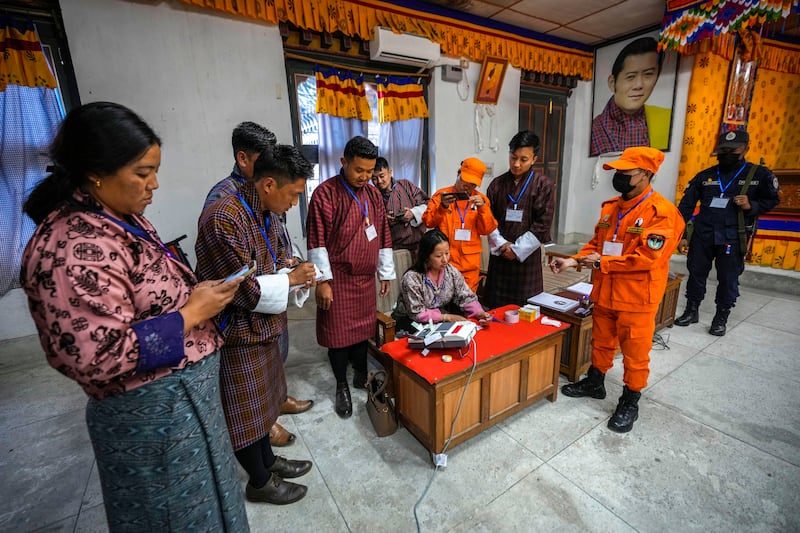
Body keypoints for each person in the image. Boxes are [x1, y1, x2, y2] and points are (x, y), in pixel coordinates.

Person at [19, 102, 249, 530]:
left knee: (209, 503)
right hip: (150, 417)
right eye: (142, 173)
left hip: (182, 404)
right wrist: (187, 315)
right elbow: (97, 356)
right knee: (173, 517)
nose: (154, 184)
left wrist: (191, 295)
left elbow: (147, 291)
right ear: (95, 172)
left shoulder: (119, 217)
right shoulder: (71, 248)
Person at [195, 145, 317, 505]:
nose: (295, 203)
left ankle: (268, 461)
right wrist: (292, 280)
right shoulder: (225, 218)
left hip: (264, 327)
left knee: (265, 403)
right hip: (237, 332)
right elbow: (242, 290)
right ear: (267, 184)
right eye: (294, 194)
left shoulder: (264, 211)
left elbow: (272, 257)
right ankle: (260, 481)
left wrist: (292, 264)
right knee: (245, 410)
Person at [549, 147, 684, 433]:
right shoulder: (611, 207)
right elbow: (595, 245)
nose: (619, 177)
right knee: (601, 341)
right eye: (618, 172)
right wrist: (572, 260)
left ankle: (630, 400)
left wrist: (603, 262)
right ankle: (596, 382)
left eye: (626, 173)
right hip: (605, 291)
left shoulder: (662, 214)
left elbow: (648, 258)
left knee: (635, 353)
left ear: (647, 174)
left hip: (636, 298)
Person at [306, 136, 395, 418]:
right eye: (359, 170)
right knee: (338, 336)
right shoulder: (325, 194)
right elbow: (317, 241)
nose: (365, 177)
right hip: (339, 279)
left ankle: (360, 374)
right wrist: (323, 282)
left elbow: (383, 235)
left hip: (365, 278)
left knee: (362, 333)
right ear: (343, 162)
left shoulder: (373, 195)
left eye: (370, 171)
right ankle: (341, 384)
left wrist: (385, 273)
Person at [674, 130, 780, 336]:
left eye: (733, 150)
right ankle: (691, 310)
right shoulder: (705, 176)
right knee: (696, 274)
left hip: (733, 235)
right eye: (723, 150)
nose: (727, 153)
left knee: (728, 278)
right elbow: (685, 207)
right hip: (702, 233)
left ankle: (721, 316)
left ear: (745, 148)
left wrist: (752, 204)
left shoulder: (759, 175)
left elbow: (773, 200)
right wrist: (680, 233)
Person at [484, 131, 555, 307]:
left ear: (534, 159)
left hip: (526, 258)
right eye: (513, 157)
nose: (516, 164)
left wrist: (516, 250)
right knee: (495, 309)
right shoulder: (497, 185)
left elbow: (543, 224)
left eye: (523, 159)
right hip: (500, 256)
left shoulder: (543, 185)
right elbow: (487, 218)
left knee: (525, 310)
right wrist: (502, 245)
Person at [422, 157, 499, 293]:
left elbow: (486, 230)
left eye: (473, 185)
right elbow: (428, 222)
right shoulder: (441, 196)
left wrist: (483, 209)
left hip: (469, 266)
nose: (467, 187)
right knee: (442, 302)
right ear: (458, 173)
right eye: (465, 181)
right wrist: (443, 207)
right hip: (444, 263)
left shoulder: (481, 200)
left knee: (468, 305)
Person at [392, 229, 491, 332]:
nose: (445, 260)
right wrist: (446, 317)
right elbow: (417, 314)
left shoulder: (451, 271)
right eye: (439, 256)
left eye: (447, 253)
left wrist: (479, 312)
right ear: (426, 257)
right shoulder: (412, 278)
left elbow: (466, 296)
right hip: (412, 322)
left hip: (439, 318)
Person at [590, 36, 671, 156]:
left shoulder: (666, 119)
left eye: (648, 74)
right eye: (630, 77)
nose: (638, 85)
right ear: (612, 83)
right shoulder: (594, 129)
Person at [371, 156, 429, 259]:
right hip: (394, 250)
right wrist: (384, 219)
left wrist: (413, 213)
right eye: (374, 178)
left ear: (390, 172)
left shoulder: (405, 185)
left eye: (382, 176)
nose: (379, 181)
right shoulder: (372, 195)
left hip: (419, 244)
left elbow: (428, 204)